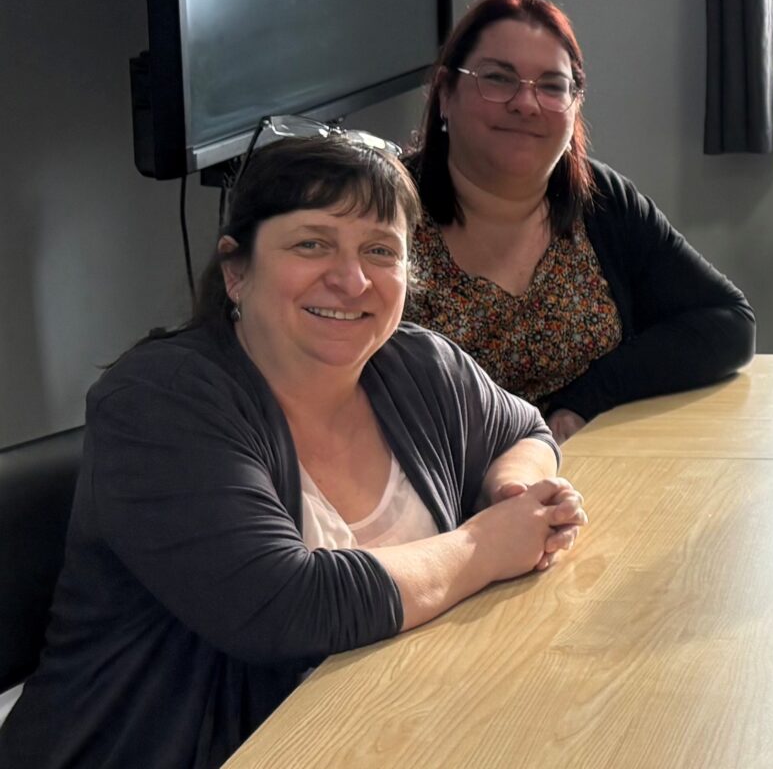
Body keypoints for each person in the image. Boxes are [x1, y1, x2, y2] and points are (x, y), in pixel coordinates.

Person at [0, 136, 587, 769]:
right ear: (236, 271)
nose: (351, 278)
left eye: (379, 251)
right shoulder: (159, 401)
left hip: (382, 733)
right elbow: (281, 607)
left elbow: (522, 430)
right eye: (312, 244)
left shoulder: (417, 363)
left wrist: (515, 491)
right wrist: (483, 546)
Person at [404, 0, 754, 442]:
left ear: (574, 106)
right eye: (497, 78)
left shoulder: (602, 200)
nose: (526, 104)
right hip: (435, 490)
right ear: (445, 94)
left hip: (582, 477)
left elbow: (728, 324)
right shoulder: (384, 205)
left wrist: (584, 403)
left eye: (552, 86)